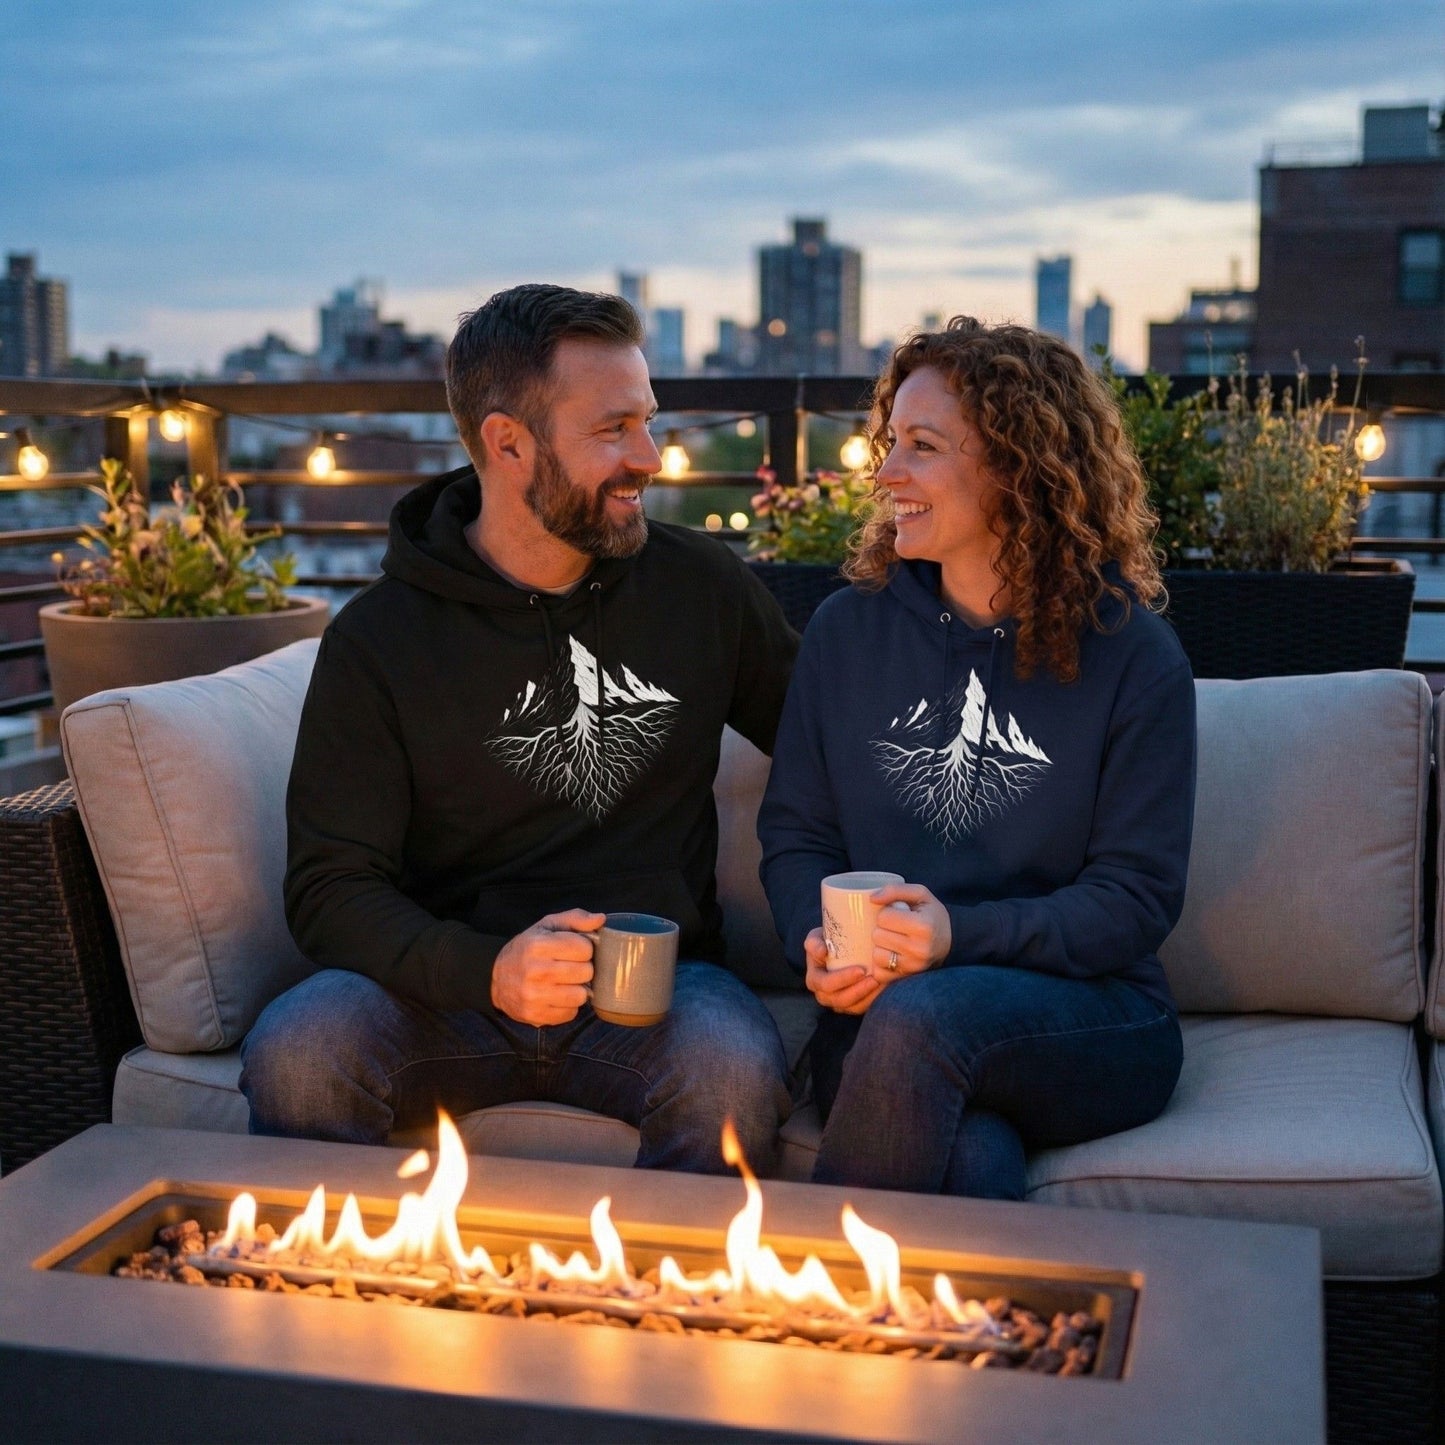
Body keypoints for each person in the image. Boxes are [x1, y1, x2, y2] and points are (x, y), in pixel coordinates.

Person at [241, 284, 798, 1174]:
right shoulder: (379, 638)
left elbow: (829, 748)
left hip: (661, 990)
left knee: (727, 1073)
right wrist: (487, 968)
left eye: (647, 423)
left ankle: (657, 1310)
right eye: (612, 430)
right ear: (508, 442)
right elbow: (329, 888)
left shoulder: (702, 588)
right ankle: (334, 1305)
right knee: (302, 1051)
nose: (649, 457)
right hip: (444, 990)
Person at [757, 317, 1194, 1199]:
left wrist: (957, 935)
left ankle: (808, 1315)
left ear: (1016, 466)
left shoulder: (1132, 656)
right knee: (970, 1156)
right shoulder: (847, 633)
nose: (885, 473)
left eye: (922, 446)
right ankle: (987, 1337)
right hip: (882, 1020)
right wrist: (819, 933)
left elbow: (1134, 900)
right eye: (891, 442)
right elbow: (797, 832)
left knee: (928, 1017)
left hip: (1089, 1017)